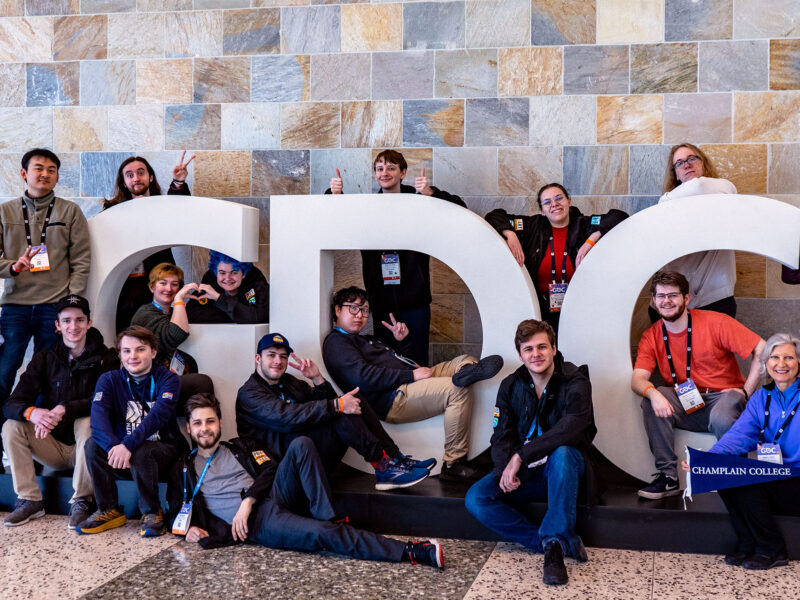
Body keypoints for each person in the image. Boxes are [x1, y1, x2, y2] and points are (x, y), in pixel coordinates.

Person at [176, 392, 444, 569]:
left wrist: (248, 499)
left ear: (220, 422)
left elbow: (270, 469)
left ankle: (325, 514)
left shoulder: (240, 446)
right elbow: (172, 511)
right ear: (188, 427)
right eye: (197, 423)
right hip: (257, 523)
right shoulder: (184, 469)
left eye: (210, 421)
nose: (204, 428)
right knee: (322, 535)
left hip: (270, 498)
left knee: (302, 443)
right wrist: (187, 530)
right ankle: (412, 551)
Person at [322, 286, 503, 482]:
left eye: (365, 310)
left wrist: (403, 342)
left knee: (466, 360)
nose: (360, 315)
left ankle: (463, 373)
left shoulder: (367, 339)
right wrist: (411, 376)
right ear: (338, 310)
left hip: (411, 379)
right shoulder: (337, 342)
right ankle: (454, 463)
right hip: (394, 396)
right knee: (456, 391)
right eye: (353, 308)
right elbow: (362, 378)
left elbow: (411, 362)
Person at [465, 319, 597, 586]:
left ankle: (554, 550)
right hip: (526, 472)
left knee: (563, 452)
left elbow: (570, 429)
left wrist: (521, 455)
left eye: (542, 347)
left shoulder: (575, 380)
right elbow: (501, 434)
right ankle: (551, 542)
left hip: (564, 471)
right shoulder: (511, 385)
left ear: (554, 349)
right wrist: (505, 470)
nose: (535, 354)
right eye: (528, 349)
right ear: (520, 354)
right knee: (476, 498)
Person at [236, 332, 432, 490]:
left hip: (310, 453)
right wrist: (337, 406)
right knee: (339, 412)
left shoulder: (289, 382)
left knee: (354, 400)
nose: (278, 361)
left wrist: (317, 379)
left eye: (283, 356)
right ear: (257, 358)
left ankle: (394, 459)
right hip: (286, 466)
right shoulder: (249, 393)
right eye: (271, 355)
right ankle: (383, 467)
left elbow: (327, 401)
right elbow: (285, 417)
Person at [632, 270, 765, 500]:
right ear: (653, 301)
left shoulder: (715, 321)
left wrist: (745, 391)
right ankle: (668, 478)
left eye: (673, 295)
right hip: (687, 402)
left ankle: (733, 475)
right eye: (661, 296)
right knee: (652, 397)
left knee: (723, 413)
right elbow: (638, 379)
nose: (667, 301)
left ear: (686, 298)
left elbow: (763, 349)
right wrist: (653, 394)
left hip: (724, 398)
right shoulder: (651, 336)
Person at [326, 150, 466, 365]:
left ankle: (422, 397)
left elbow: (460, 210)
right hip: (381, 301)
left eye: (391, 168)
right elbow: (338, 220)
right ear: (375, 174)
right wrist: (334, 196)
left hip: (415, 302)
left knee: (418, 359)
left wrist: (430, 193)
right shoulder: (367, 208)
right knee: (387, 360)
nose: (385, 173)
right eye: (380, 169)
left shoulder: (420, 202)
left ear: (403, 173)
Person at [681, 333, 800, 570]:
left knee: (749, 481)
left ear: (799, 362)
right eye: (774, 357)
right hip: (777, 476)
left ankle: (772, 549)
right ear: (766, 363)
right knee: (726, 472)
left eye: (789, 357)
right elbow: (738, 436)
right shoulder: (761, 397)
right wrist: (707, 459)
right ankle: (748, 544)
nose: (781, 364)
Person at [2, 295, 117, 528]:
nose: (73, 327)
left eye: (79, 320)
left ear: (89, 322)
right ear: (57, 325)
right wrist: (32, 412)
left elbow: (106, 401)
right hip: (51, 446)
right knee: (11, 425)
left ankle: (82, 500)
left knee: (87, 421)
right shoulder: (44, 358)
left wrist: (66, 408)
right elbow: (12, 403)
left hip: (90, 449)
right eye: (66, 321)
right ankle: (29, 500)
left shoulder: (107, 358)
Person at [0, 148, 91, 418]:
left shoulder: (70, 211)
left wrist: (70, 304)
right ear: (24, 173)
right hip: (15, 307)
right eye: (39, 168)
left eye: (51, 170)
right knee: (5, 370)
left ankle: (39, 435)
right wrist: (13, 267)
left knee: (48, 373)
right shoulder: (4, 212)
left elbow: (82, 259)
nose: (45, 174)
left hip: (54, 306)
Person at [76, 325, 188, 537]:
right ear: (119, 354)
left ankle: (153, 512)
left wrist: (127, 445)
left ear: (153, 352)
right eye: (126, 351)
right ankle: (108, 509)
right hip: (124, 456)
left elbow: (158, 416)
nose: (132, 356)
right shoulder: (108, 380)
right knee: (92, 444)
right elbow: (98, 422)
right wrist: (115, 448)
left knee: (142, 450)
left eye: (140, 349)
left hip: (165, 452)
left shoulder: (169, 379)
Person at [484, 183, 627, 335]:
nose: (554, 204)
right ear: (542, 210)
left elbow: (619, 216)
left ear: (569, 201)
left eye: (559, 198)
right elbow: (493, 216)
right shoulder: (533, 226)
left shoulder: (584, 225)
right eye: (547, 202)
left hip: (579, 308)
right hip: (540, 308)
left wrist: (592, 239)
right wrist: (510, 233)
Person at [103, 152, 195, 332]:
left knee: (161, 332)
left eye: (141, 173)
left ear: (150, 177)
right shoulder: (112, 211)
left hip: (157, 282)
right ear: (123, 182)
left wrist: (178, 182)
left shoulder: (161, 205)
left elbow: (179, 211)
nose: (136, 178)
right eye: (129, 175)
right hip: (125, 286)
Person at [655, 143, 738, 319]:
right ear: (675, 174)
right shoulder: (668, 205)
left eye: (692, 158)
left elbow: (700, 186)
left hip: (715, 296)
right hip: (674, 299)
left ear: (703, 164)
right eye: (679, 163)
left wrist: (667, 199)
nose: (687, 164)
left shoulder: (722, 188)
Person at [130, 262, 214, 403]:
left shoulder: (172, 312)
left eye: (174, 284)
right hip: (149, 382)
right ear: (152, 287)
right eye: (163, 283)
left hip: (168, 376)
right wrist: (179, 299)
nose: (169, 289)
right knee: (201, 382)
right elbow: (176, 334)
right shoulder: (145, 313)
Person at [187, 250, 269, 324]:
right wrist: (237, 314)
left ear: (243, 274)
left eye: (234, 272)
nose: (227, 278)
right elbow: (191, 313)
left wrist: (219, 298)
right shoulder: (210, 280)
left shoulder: (257, 283)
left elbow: (256, 316)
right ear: (216, 273)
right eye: (222, 273)